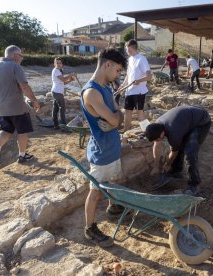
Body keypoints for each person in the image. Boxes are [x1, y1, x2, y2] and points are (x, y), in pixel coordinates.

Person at [80, 48, 127, 247]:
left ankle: (114, 208)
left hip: (113, 147)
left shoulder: (106, 89)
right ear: (107, 64)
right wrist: (116, 119)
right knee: (96, 191)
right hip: (101, 152)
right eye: (117, 70)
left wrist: (117, 118)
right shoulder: (92, 93)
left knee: (115, 180)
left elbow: (119, 115)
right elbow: (115, 118)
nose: (118, 75)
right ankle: (89, 228)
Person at [0, 45, 40, 166]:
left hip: (0, 108)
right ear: (15, 55)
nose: (22, 58)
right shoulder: (15, 66)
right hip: (17, 107)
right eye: (21, 55)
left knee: (6, 129)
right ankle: (22, 156)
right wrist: (34, 101)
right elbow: (24, 86)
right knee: (23, 132)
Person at [145, 106, 211, 196]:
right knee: (179, 144)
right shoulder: (156, 126)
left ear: (161, 135)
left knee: (190, 152)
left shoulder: (173, 132)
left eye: (157, 139)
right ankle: (176, 171)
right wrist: (156, 166)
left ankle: (193, 184)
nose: (156, 142)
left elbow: (174, 152)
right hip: (186, 119)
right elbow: (156, 146)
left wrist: (167, 164)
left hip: (201, 122)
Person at [121, 39, 152, 131]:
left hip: (139, 92)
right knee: (127, 112)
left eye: (128, 49)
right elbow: (128, 75)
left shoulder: (142, 59)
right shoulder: (130, 60)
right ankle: (125, 132)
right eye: (126, 49)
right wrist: (123, 85)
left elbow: (149, 76)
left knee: (140, 113)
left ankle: (148, 132)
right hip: (129, 91)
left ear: (132, 48)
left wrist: (139, 80)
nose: (127, 51)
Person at [51, 57, 77, 130]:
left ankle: (56, 125)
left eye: (60, 63)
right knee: (62, 109)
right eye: (57, 63)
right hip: (57, 92)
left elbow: (63, 83)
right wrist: (71, 75)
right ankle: (64, 127)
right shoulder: (56, 70)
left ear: (62, 64)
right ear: (54, 64)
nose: (58, 64)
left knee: (56, 109)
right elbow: (63, 79)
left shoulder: (60, 70)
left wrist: (70, 80)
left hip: (57, 92)